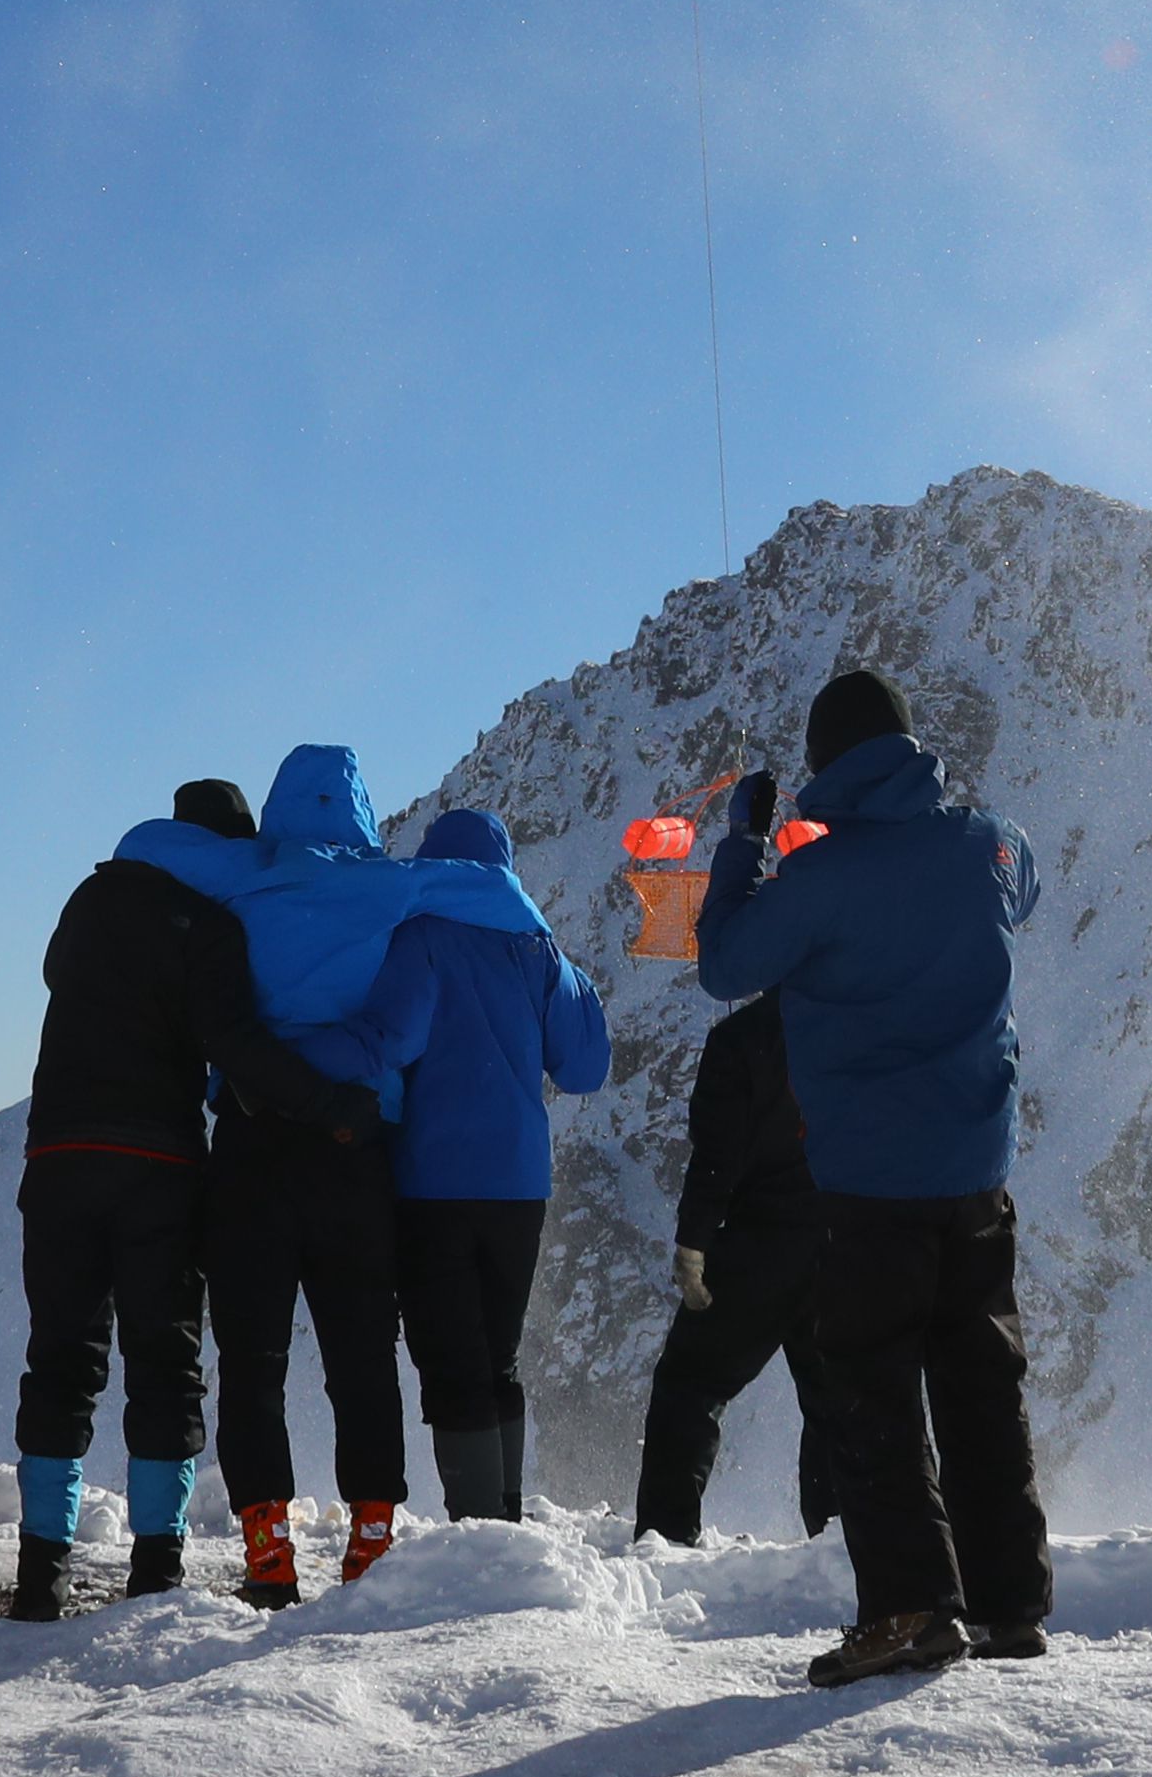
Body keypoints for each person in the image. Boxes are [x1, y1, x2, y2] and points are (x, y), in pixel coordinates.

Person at [693, 664, 1049, 1689]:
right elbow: (1025, 882)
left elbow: (724, 965)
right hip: (980, 1172)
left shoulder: (822, 880)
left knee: (870, 1394)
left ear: (824, 768)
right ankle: (1010, 1609)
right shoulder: (989, 843)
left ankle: (908, 1608)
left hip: (868, 1186)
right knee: (983, 1384)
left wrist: (744, 847)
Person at [0, 777, 370, 1620]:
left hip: (56, 1156)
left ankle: (39, 1575)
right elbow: (237, 1046)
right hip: (155, 1165)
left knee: (60, 1359)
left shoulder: (89, 901)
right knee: (164, 1365)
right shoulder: (207, 927)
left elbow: (59, 973)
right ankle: (156, 1572)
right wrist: (329, 1104)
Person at [143, 743, 446, 1604]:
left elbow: (143, 844)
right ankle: (371, 1545)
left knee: (252, 1359)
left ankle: (268, 1553)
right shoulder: (393, 891)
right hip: (355, 1144)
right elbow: (415, 1018)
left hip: (251, 1137)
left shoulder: (237, 886)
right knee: (361, 1356)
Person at [367, 807, 611, 1522]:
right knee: (498, 1357)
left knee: (451, 1362)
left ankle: (477, 1533)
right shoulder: (537, 949)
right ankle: (501, 1520)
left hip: (433, 1182)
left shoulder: (421, 938)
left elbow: (394, 1039)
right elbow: (585, 1066)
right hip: (519, 1186)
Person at [631, 988, 837, 1551]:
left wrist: (693, 1244)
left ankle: (666, 1538)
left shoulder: (740, 1037)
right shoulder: (861, 1018)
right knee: (837, 1402)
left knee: (691, 1385)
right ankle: (840, 1545)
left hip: (756, 1246)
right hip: (842, 1240)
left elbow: (717, 1156)